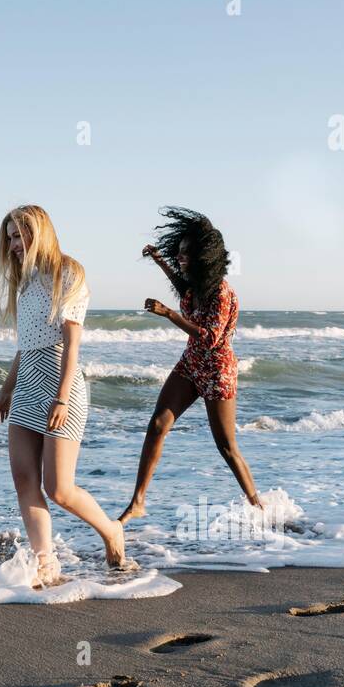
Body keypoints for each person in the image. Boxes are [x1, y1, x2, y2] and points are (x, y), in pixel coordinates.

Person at [0, 205, 132, 587]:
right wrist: (7, 387)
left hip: (59, 381)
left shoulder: (68, 273)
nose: (14, 245)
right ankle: (45, 562)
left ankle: (111, 530)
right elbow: (26, 344)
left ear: (39, 232)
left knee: (59, 488)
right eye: (10, 238)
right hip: (27, 382)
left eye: (19, 236)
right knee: (23, 478)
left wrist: (63, 397)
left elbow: (71, 345)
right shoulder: (25, 281)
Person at [117, 207, 264, 524]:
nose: (181, 258)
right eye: (179, 252)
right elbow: (180, 286)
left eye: (186, 253)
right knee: (157, 425)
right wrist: (159, 260)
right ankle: (138, 502)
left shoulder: (221, 293)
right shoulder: (194, 285)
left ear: (204, 256)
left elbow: (210, 337)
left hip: (217, 371)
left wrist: (168, 313)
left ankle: (258, 507)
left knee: (226, 447)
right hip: (190, 363)